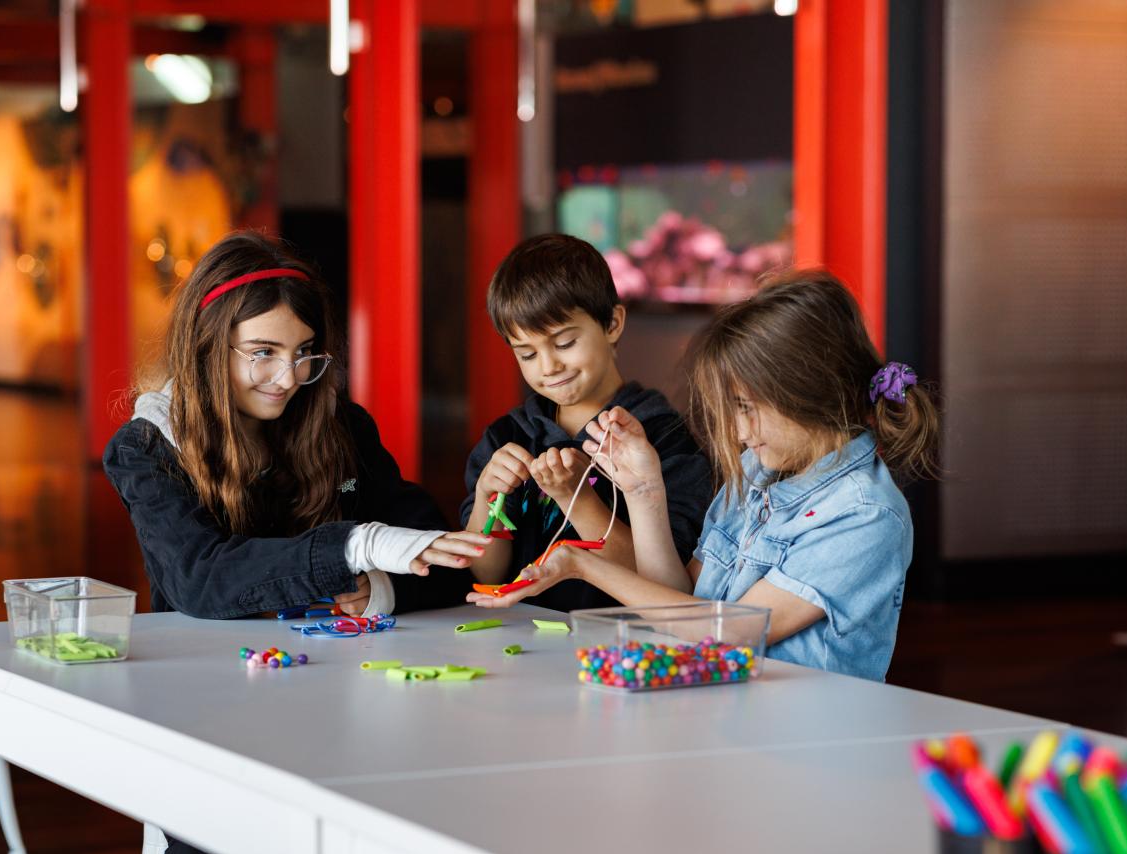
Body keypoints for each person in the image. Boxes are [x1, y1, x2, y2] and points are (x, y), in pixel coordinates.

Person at [470, 270, 940, 682]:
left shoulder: (865, 514)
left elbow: (733, 632)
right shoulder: (757, 473)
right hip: (720, 714)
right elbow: (678, 605)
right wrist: (643, 489)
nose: (737, 432)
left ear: (808, 394)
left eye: (745, 409)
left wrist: (581, 562)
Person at [104, 230, 488, 624]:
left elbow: (439, 554)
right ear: (206, 346)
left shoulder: (343, 428)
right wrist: (354, 546)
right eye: (264, 353)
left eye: (303, 352)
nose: (288, 379)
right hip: (206, 672)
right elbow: (201, 579)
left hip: (335, 669)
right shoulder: (147, 447)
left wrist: (384, 588)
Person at [460, 233, 712, 612]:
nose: (548, 367)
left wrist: (574, 497)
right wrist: (486, 497)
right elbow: (487, 573)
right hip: (520, 646)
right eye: (527, 354)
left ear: (612, 323)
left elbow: (664, 584)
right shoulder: (508, 437)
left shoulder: (663, 437)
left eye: (564, 344)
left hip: (624, 646)